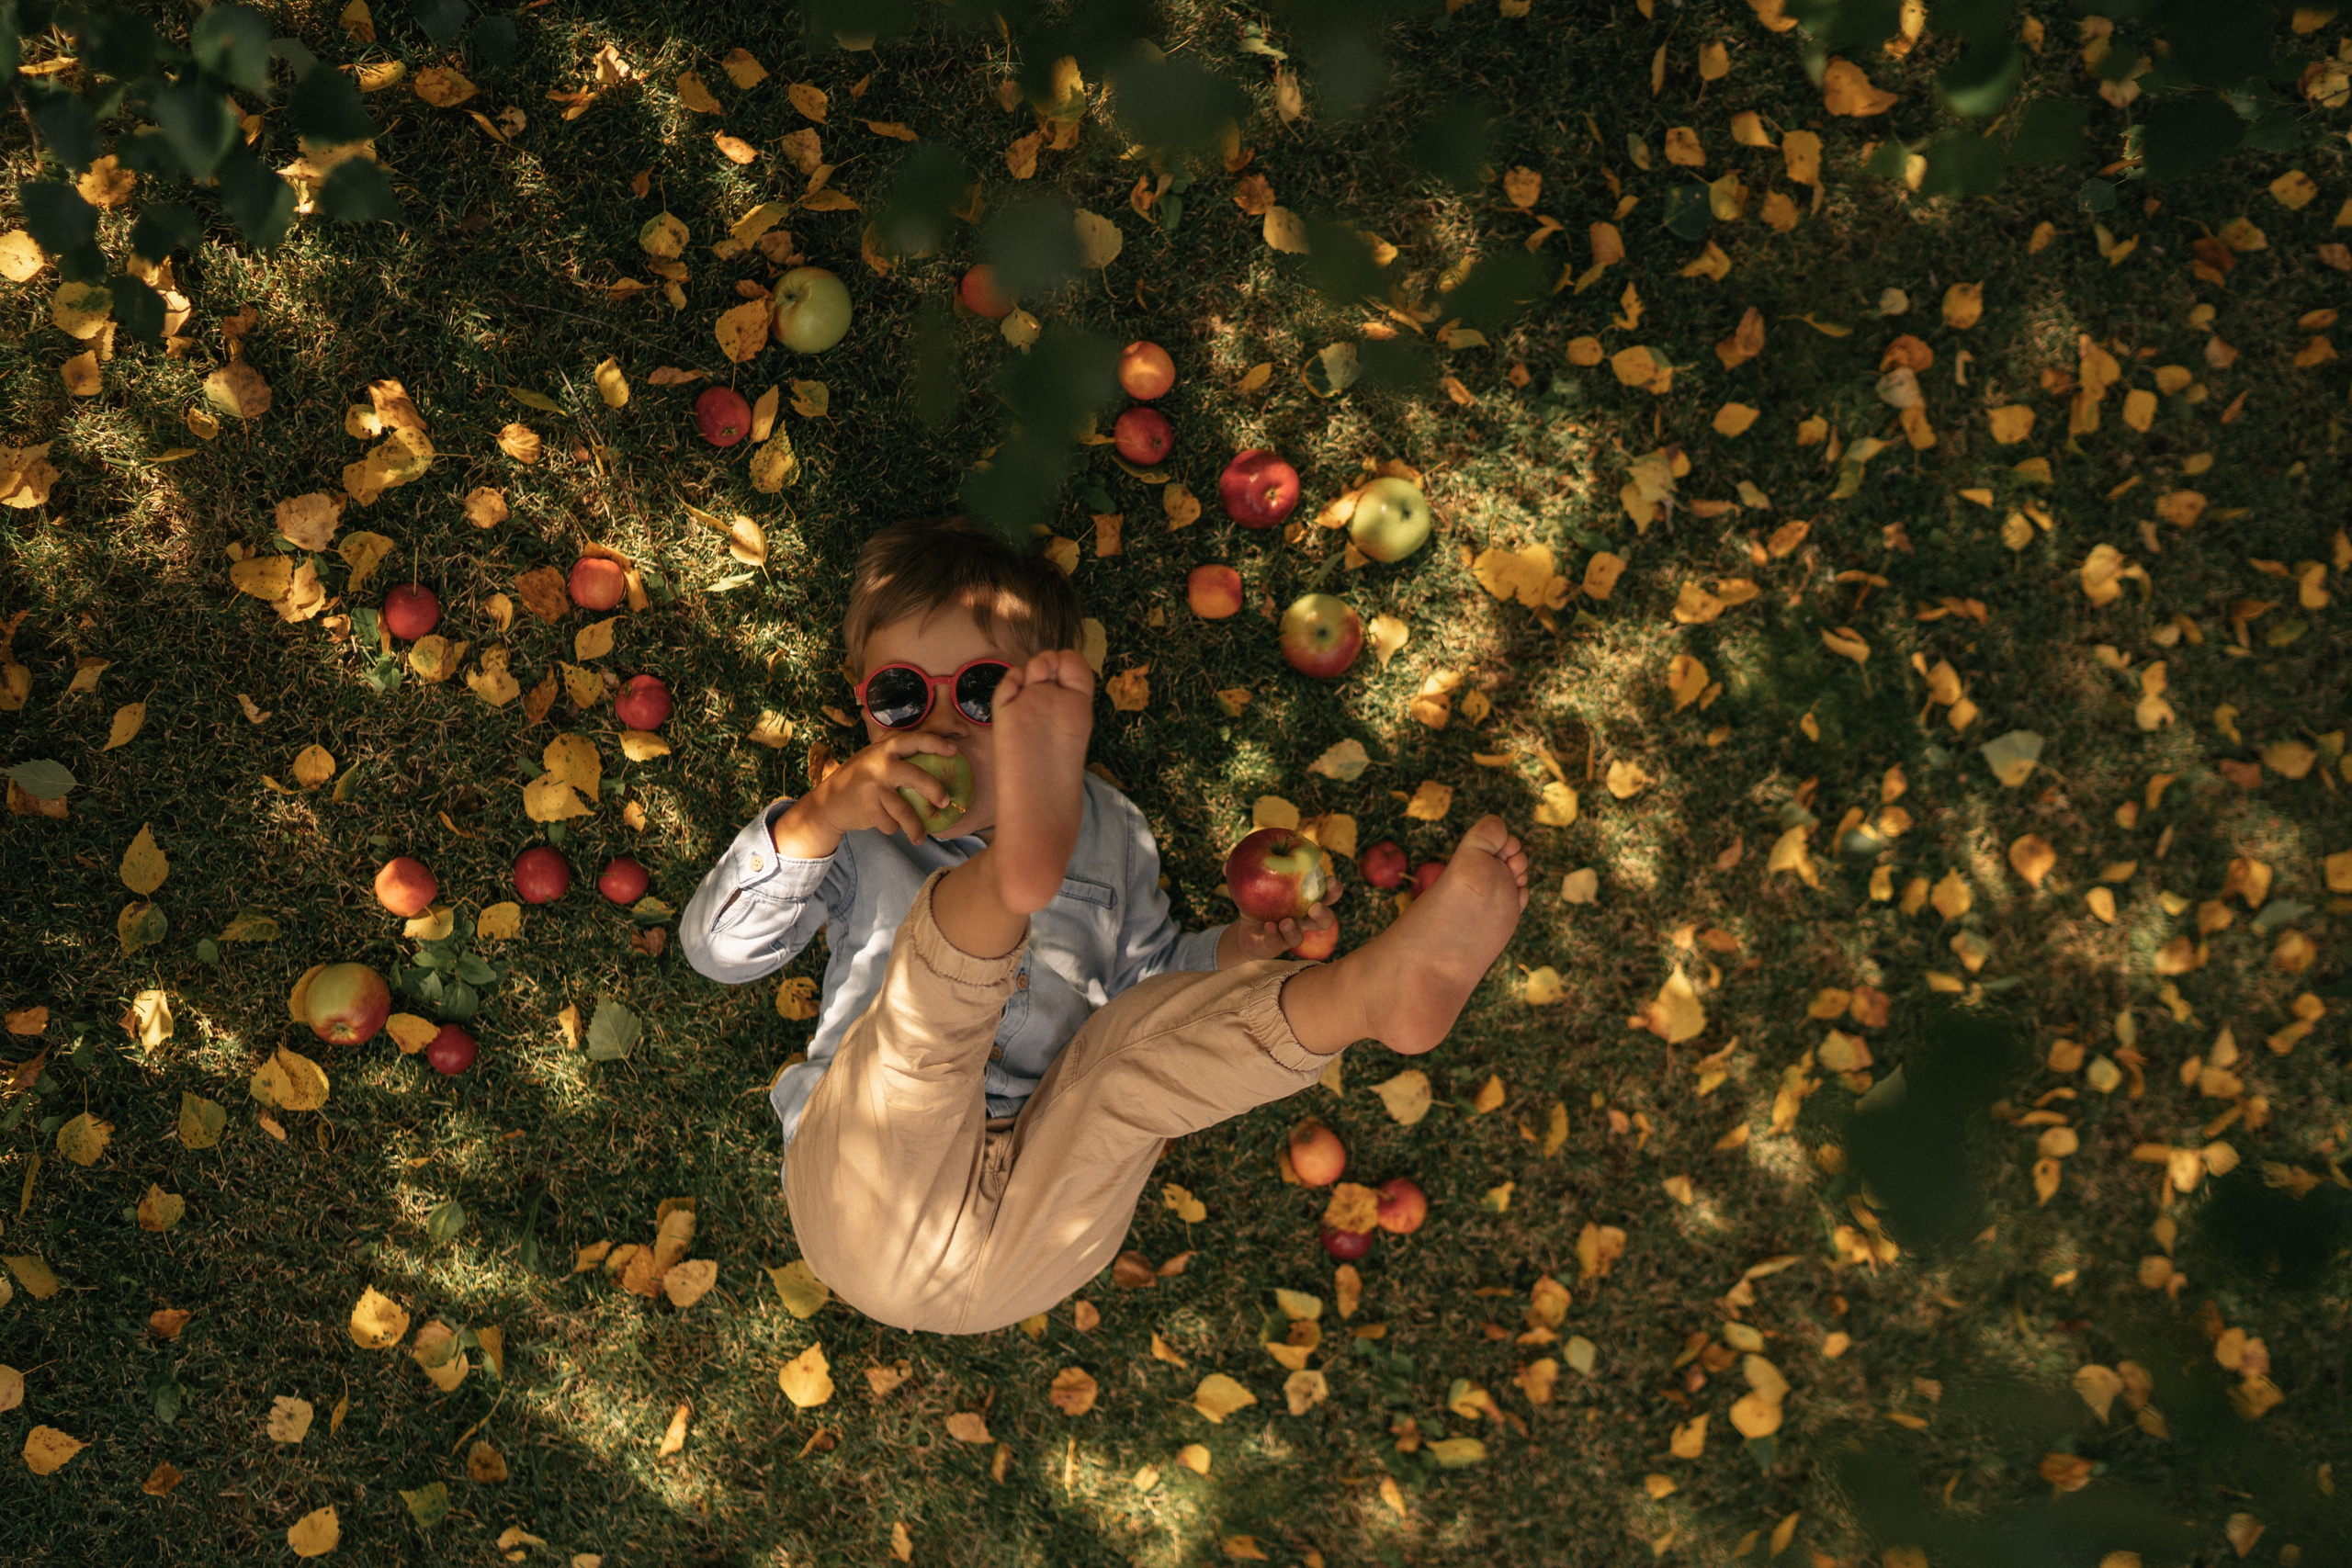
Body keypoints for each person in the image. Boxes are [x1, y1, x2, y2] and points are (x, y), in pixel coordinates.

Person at [680, 517, 1531, 1335]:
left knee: (1130, 1076)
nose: (936, 727)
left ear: (1045, 693)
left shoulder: (1113, 833)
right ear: (863, 711)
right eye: (899, 697)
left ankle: (1362, 997)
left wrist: (1241, 950)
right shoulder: (857, 834)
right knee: (919, 1042)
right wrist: (817, 817)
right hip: (872, 1190)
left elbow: (1155, 984)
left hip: (1041, 1218)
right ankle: (1008, 883)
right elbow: (717, 951)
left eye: (980, 694)